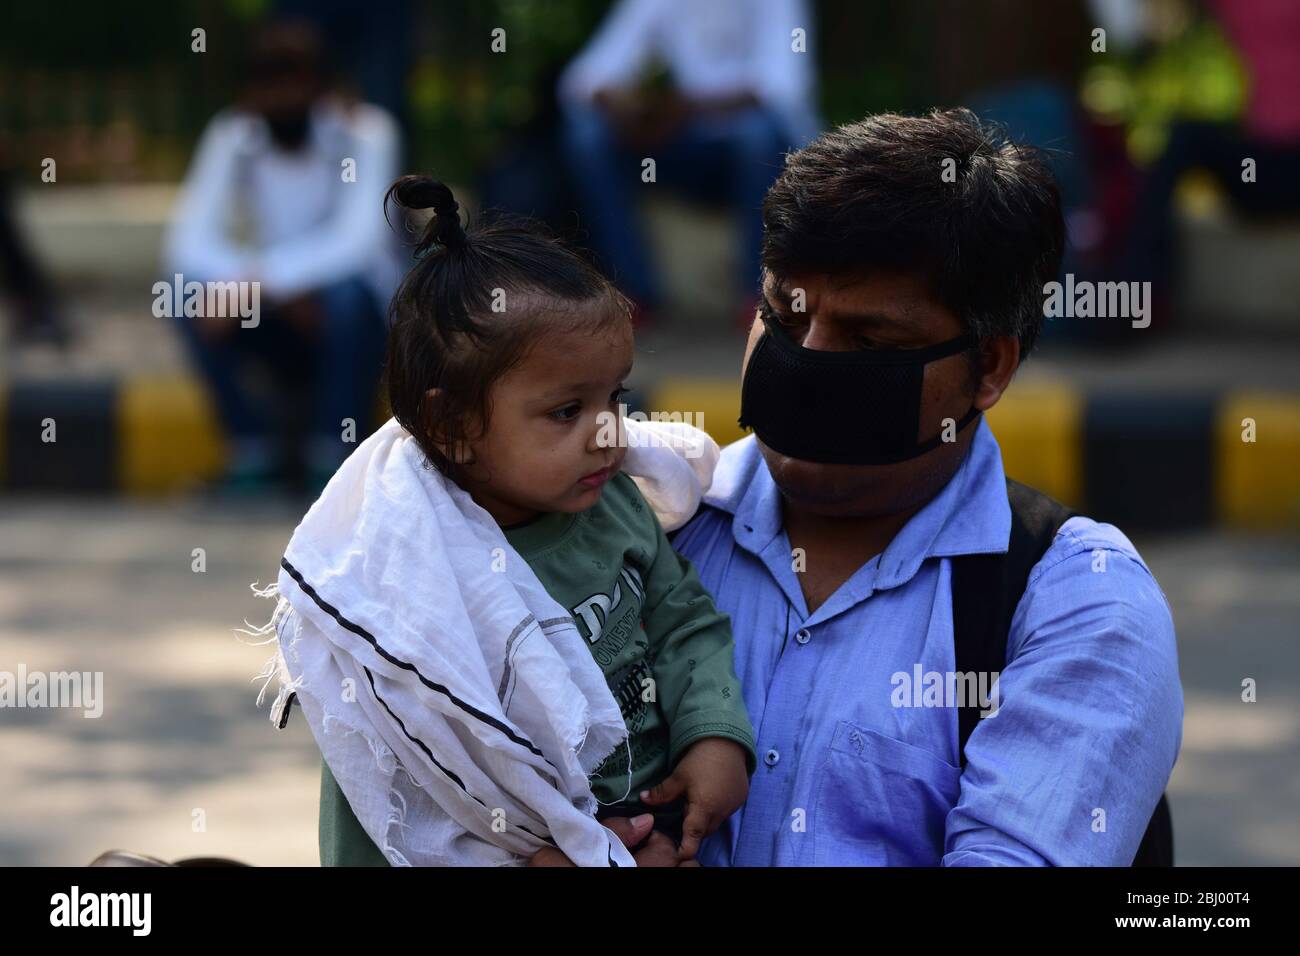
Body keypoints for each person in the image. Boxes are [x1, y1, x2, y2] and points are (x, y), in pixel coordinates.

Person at [533, 109, 1183, 867]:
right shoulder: (634, 520)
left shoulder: (1069, 606)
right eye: (782, 314)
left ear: (991, 367)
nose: (806, 362)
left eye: (871, 340)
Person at [281, 177, 755, 865]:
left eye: (613, 396)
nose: (607, 433)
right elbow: (409, 778)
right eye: (567, 411)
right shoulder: (409, 584)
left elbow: (684, 621)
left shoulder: (616, 504)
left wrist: (714, 737)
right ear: (453, 424)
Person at [165, 20, 401, 493]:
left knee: (347, 296)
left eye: (294, 87)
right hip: (271, 312)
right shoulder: (234, 135)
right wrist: (253, 286)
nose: (283, 103)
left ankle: (332, 457)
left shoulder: (367, 133)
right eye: (269, 89)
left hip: (351, 321)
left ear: (320, 87)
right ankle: (251, 453)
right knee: (181, 293)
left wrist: (267, 280)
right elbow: (187, 241)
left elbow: (360, 242)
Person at [557, 0, 820, 329]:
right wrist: (620, 102)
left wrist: (683, 108)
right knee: (588, 136)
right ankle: (634, 292)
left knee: (757, 134)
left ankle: (758, 295)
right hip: (681, 146)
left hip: (750, 152)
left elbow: (780, 88)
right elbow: (582, 80)